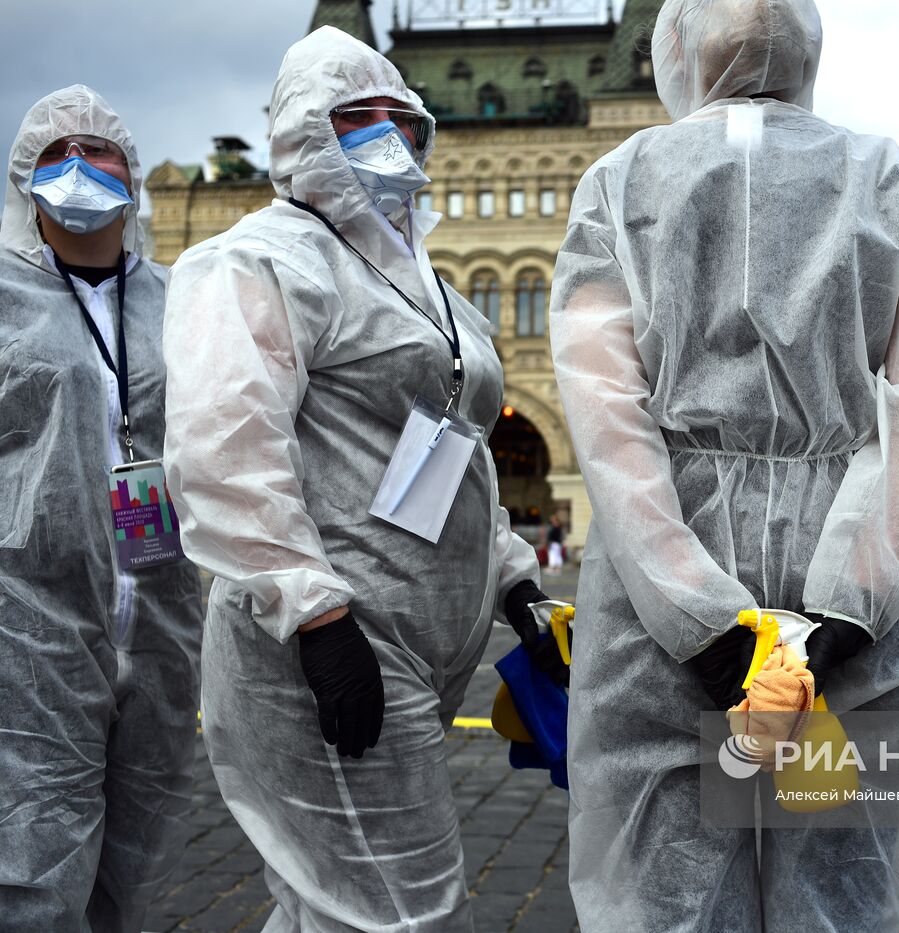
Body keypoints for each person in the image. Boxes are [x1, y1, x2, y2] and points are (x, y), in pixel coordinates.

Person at [550, 0, 899, 928]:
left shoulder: (622, 181)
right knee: (838, 883)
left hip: (668, 573)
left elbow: (606, 412)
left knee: (662, 885)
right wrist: (848, 612)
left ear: (679, 48)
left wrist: (700, 618)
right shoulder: (880, 174)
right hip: (851, 545)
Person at [161, 28, 569, 931]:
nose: (387, 137)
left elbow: (451, 450)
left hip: (415, 647)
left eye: (402, 121)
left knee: (334, 908)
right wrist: (315, 612)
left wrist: (516, 584)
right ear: (307, 134)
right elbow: (225, 450)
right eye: (357, 120)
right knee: (404, 910)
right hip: (326, 644)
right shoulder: (256, 258)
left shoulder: (425, 283)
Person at [0, 86, 202, 932]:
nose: (81, 167)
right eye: (56, 155)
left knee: (130, 858)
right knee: (35, 871)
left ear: (132, 173)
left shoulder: (180, 298)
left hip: (162, 614)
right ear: (24, 181)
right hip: (31, 622)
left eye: (101, 151)